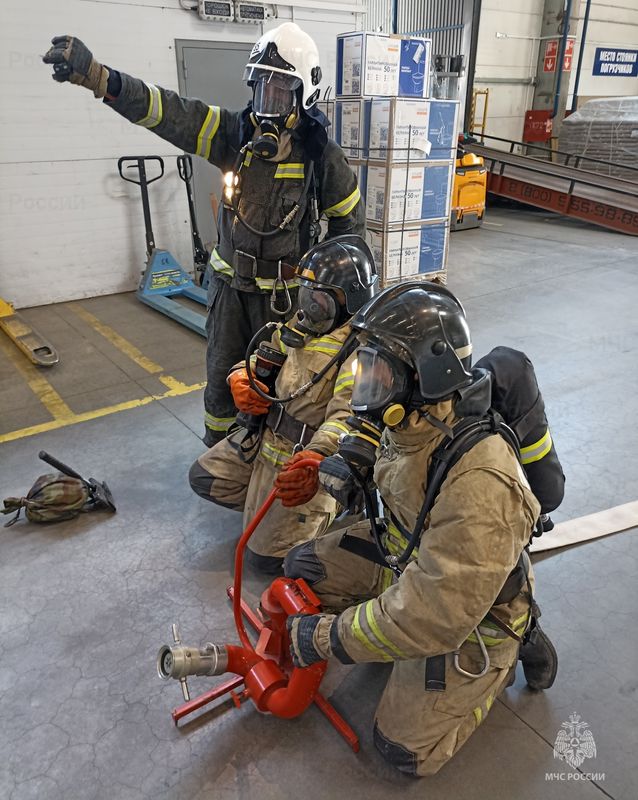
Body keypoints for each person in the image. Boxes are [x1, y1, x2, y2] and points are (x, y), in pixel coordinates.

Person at [42, 24, 365, 446]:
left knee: (283, 388)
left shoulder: (322, 157)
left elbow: (350, 235)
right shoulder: (235, 135)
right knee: (221, 386)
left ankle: (267, 460)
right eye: (261, 89)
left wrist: (328, 307)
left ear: (304, 95)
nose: (268, 104)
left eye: (280, 91)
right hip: (228, 295)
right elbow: (171, 113)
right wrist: (102, 79)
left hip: (284, 304)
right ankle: (219, 456)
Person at [284, 282, 556, 776]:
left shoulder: (482, 482)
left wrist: (326, 639)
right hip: (403, 556)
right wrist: (343, 465)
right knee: (303, 568)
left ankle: (509, 654)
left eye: (378, 372)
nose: (367, 384)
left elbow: (432, 614)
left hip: (467, 612)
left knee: (401, 748)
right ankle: (388, 621)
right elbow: (386, 455)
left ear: (424, 375)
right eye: (366, 367)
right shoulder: (409, 416)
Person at [189, 235, 377, 573]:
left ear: (349, 299)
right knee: (205, 477)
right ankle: (273, 510)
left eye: (320, 297)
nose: (309, 304)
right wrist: (241, 377)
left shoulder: (360, 350)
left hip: (307, 461)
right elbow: (266, 355)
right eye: (307, 292)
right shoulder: (305, 324)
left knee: (264, 560)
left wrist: (318, 460)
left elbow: (346, 418)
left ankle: (337, 498)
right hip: (267, 442)